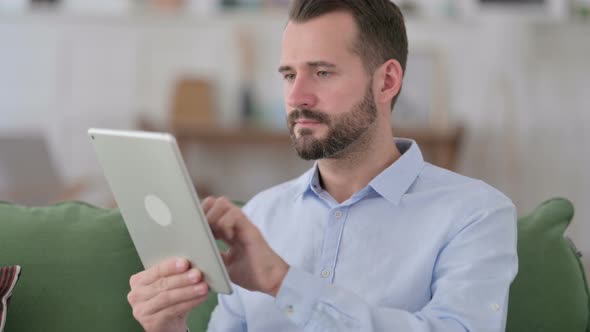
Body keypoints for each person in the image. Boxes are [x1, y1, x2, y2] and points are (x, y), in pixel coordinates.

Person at [127, 0, 518, 331]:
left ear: (387, 82)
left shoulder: (476, 215)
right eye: (288, 75)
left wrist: (283, 283)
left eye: (322, 72)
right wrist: (170, 327)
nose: (297, 96)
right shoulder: (261, 214)